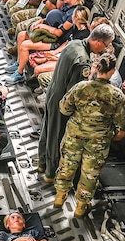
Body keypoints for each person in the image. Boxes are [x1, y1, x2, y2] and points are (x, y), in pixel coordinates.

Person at [37, 23, 114, 184]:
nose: (104, 49)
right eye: (105, 46)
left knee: (47, 129)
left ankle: (42, 163)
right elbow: (75, 92)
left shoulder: (74, 44)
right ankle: (50, 174)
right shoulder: (83, 62)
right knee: (56, 137)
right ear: (99, 42)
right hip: (61, 101)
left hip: (52, 91)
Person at [56, 51, 125, 217]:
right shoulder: (117, 96)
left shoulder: (81, 87)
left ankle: (60, 196)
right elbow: (121, 121)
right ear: (112, 71)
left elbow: (64, 109)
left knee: (67, 164)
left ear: (97, 68)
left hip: (75, 134)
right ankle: (81, 206)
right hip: (99, 141)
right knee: (90, 173)